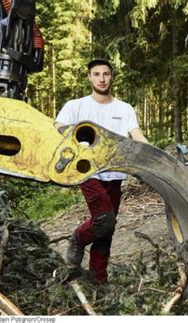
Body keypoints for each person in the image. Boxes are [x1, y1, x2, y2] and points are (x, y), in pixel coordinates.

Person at [54, 59, 148, 284]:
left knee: (107, 229)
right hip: (88, 172)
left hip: (115, 174)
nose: (102, 79)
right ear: (89, 77)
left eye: (106, 74)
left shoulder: (124, 108)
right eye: (97, 74)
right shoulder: (76, 106)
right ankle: (78, 238)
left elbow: (136, 135)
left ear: (112, 76)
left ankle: (99, 280)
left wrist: (152, 154)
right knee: (104, 220)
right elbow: (58, 127)